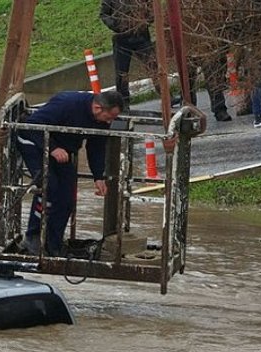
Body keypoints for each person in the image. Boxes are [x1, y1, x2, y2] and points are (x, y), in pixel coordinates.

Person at [16, 90, 124, 256]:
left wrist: (98, 177)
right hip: (34, 142)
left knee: (67, 197)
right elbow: (31, 126)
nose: (110, 121)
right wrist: (52, 148)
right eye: (109, 117)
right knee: (49, 187)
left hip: (63, 150)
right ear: (97, 108)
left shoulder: (101, 120)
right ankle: (33, 236)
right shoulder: (67, 104)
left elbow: (96, 147)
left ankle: (54, 243)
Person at [99, 0, 159, 109]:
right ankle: (123, 104)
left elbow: (151, 7)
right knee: (122, 72)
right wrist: (116, 26)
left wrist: (145, 22)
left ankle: (166, 96)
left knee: (153, 65)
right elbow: (104, 14)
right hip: (121, 37)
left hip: (141, 35)